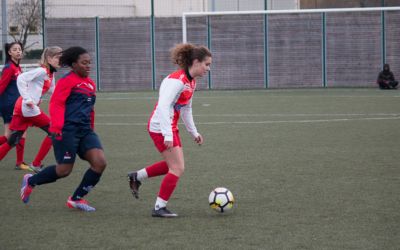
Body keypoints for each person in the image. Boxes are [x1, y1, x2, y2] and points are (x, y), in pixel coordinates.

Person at [127, 43, 212, 217]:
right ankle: (159, 208)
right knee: (177, 168)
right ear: (196, 62)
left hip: (170, 127)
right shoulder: (176, 80)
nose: (208, 69)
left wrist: (193, 132)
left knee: (173, 165)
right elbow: (164, 107)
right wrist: (167, 133)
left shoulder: (191, 82)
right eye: (207, 64)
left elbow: (186, 108)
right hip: (160, 127)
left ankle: (137, 176)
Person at [20, 46, 107, 212]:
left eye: (89, 63)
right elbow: (56, 104)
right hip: (66, 131)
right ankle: (31, 181)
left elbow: (90, 109)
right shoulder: (66, 81)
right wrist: (57, 127)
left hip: (85, 131)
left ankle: (76, 199)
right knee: (64, 170)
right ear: (74, 64)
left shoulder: (90, 84)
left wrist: (91, 129)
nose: (88, 66)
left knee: (100, 163)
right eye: (84, 63)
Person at [0, 46, 62, 172]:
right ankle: (36, 164)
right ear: (49, 59)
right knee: (54, 131)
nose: (60, 60)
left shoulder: (51, 73)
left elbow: (53, 91)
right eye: (57, 58)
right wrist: (27, 98)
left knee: (13, 140)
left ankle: (34, 163)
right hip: (28, 108)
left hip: (22, 108)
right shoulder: (42, 71)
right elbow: (21, 79)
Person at [0, 42, 28, 170]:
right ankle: (19, 162)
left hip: (16, 104)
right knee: (19, 133)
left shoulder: (17, 68)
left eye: (19, 49)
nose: (18, 51)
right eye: (14, 49)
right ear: (9, 52)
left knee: (9, 136)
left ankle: (19, 162)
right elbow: (1, 86)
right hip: (9, 105)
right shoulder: (9, 68)